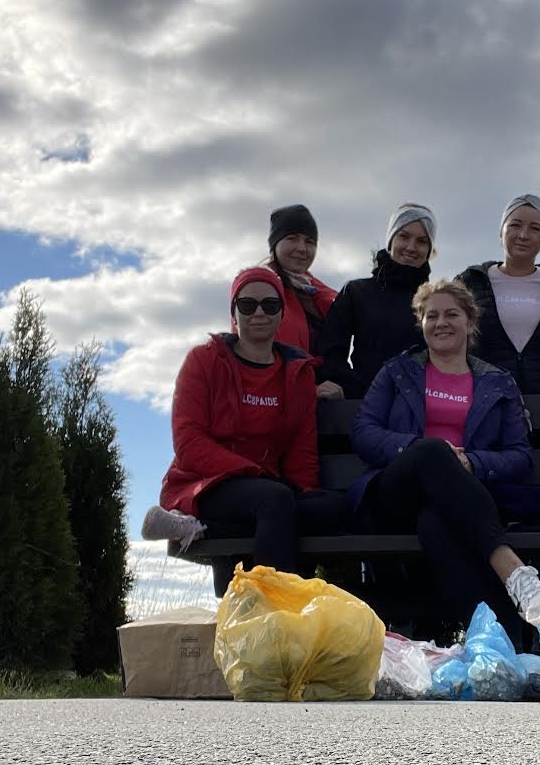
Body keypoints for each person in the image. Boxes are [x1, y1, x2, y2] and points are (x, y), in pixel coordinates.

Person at [349, 279, 540, 637]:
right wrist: (421, 450)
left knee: (436, 522)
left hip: (463, 501)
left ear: (470, 321)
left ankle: (505, 642)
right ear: (421, 323)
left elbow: (519, 456)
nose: (441, 322)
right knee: (432, 450)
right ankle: (513, 571)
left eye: (452, 314)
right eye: (431, 315)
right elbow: (364, 432)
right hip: (397, 496)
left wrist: (471, 464)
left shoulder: (498, 382)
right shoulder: (398, 371)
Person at [146, 266, 347, 596]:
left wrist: (304, 489)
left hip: (269, 492)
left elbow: (301, 448)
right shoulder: (204, 361)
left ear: (282, 313)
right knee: (274, 501)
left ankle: (199, 530)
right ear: (233, 312)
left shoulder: (297, 373)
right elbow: (189, 443)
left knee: (327, 508)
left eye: (270, 305)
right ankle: (271, 612)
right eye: (247, 304)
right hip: (208, 483)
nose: (258, 313)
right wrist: (253, 474)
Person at [457, 194, 540, 395]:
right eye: (515, 225)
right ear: (501, 232)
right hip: (488, 403)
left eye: (535, 228)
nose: (523, 235)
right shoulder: (469, 284)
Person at [319, 203, 437, 399]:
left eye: (422, 241)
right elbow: (331, 353)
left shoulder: (436, 301)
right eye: (404, 236)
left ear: (429, 249)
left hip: (420, 411)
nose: (411, 247)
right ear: (391, 241)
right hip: (363, 406)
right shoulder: (356, 292)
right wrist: (356, 391)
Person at [263, 204, 339, 396]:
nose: (302, 248)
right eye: (292, 239)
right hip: (276, 402)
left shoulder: (320, 295)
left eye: (310, 241)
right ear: (275, 244)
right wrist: (309, 391)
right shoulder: (258, 289)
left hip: (322, 405)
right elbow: (255, 360)